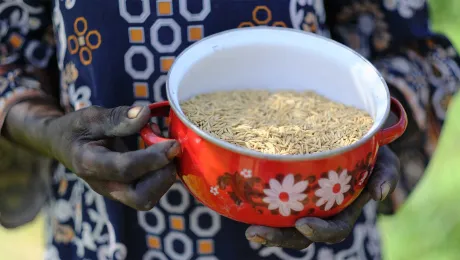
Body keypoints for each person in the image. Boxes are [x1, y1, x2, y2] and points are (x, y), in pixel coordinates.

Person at [0, 0, 458, 259]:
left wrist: (364, 147)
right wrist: (47, 130)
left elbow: (414, 54)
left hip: (313, 219)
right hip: (101, 233)